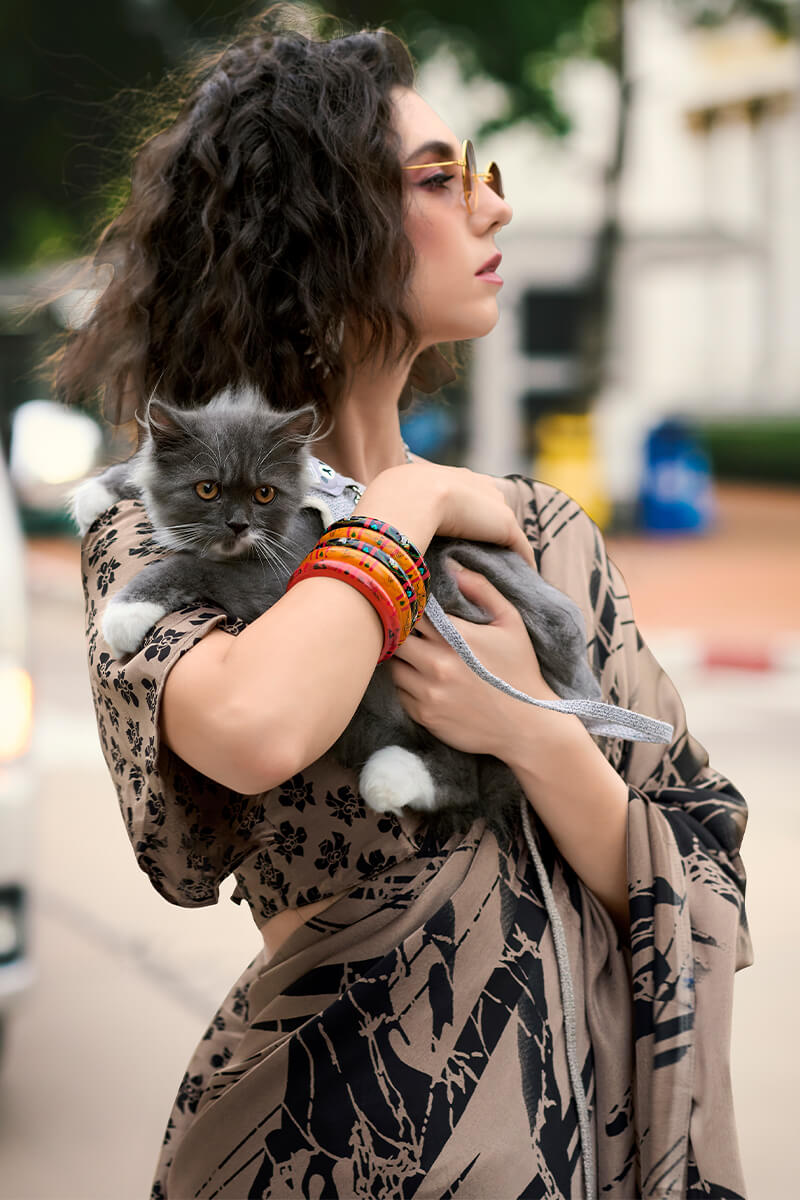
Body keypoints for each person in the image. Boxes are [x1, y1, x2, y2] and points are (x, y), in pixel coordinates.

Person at [58, 7, 752, 1197]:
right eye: (438, 179)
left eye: (479, 173)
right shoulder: (157, 522)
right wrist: (406, 509)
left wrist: (532, 728)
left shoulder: (538, 533)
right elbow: (256, 725)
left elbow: (701, 883)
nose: (493, 206)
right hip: (325, 1139)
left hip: (566, 1148)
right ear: (318, 230)